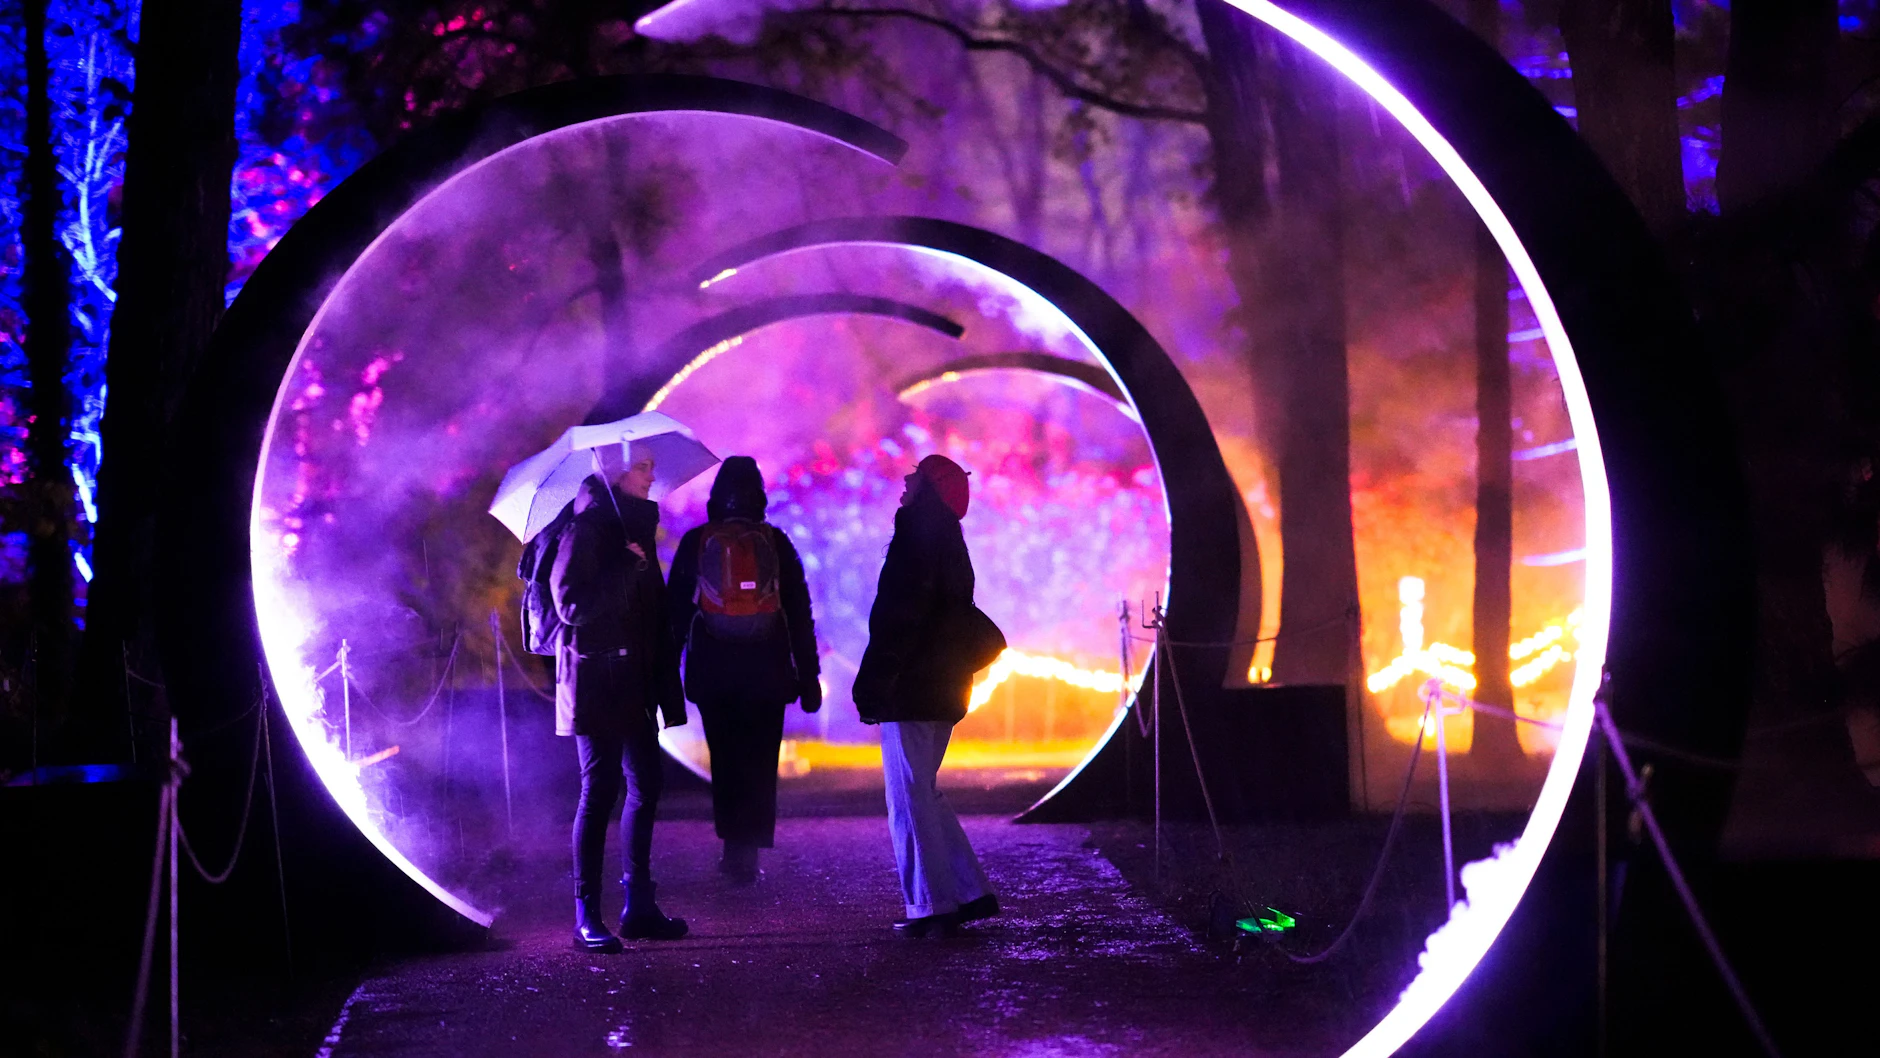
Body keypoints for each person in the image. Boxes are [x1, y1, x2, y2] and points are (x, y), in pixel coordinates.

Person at [851, 454, 999, 937]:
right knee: (924, 791)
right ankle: (966, 890)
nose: (907, 478)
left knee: (908, 796)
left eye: (917, 473)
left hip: (911, 686)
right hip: (942, 685)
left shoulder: (915, 535)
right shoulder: (949, 539)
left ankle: (933, 906)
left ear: (930, 487)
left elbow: (899, 618)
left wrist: (875, 681)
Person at [551, 440, 689, 952]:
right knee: (599, 791)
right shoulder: (586, 529)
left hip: (632, 680)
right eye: (644, 469)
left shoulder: (634, 530)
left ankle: (639, 905)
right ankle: (587, 913)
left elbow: (649, 609)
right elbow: (569, 605)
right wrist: (620, 570)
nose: (651, 477)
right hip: (594, 681)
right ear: (616, 474)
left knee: (646, 783)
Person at [667, 456, 822, 885]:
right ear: (760, 495)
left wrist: (665, 681)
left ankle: (731, 845)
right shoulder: (776, 542)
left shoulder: (698, 541)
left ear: (717, 496)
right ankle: (749, 850)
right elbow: (799, 612)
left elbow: (675, 614)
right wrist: (808, 678)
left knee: (726, 758)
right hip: (767, 672)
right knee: (758, 759)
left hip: (714, 673)